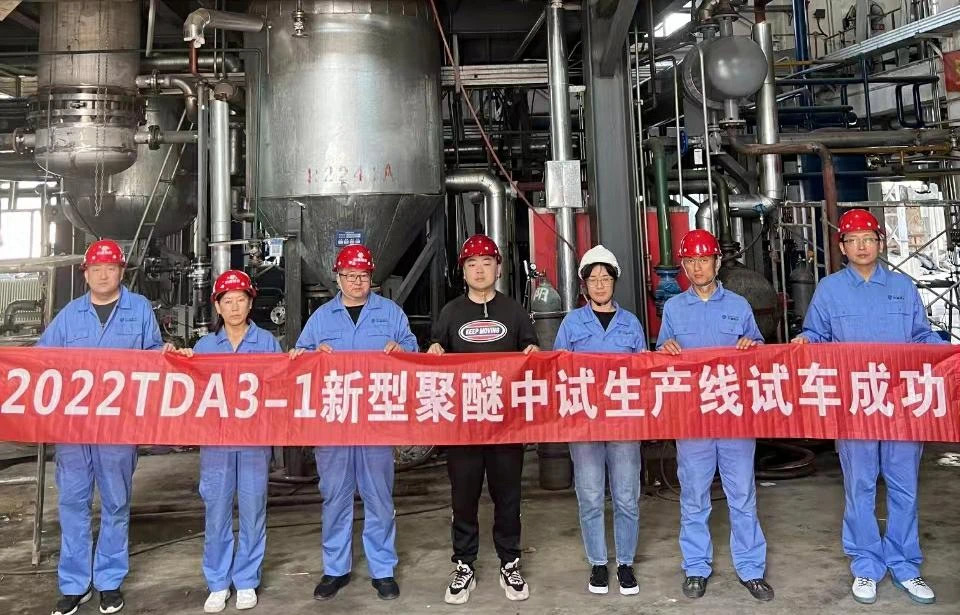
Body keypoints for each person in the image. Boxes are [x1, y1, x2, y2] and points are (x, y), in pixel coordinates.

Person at [792, 209, 942, 605]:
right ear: (842, 247)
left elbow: (921, 337)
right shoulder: (829, 290)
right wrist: (806, 341)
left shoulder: (902, 287)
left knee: (904, 485)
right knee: (859, 486)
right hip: (855, 404)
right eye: (852, 240)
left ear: (880, 243)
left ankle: (906, 564)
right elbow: (816, 334)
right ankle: (866, 564)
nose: (861, 246)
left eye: (868, 239)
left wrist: (948, 352)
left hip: (901, 405)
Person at [41, 240, 170, 615]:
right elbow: (41, 361)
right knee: (73, 504)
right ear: (85, 274)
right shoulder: (70, 315)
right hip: (74, 428)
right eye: (96, 269)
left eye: (110, 268)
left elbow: (152, 359)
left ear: (121, 272)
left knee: (116, 502)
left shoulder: (139, 309)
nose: (102, 275)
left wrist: (165, 354)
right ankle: (74, 584)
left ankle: (109, 581)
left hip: (118, 426)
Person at [289, 244, 417, 602]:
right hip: (334, 422)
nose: (357, 282)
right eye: (349, 276)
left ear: (371, 277)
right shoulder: (321, 318)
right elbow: (300, 358)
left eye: (362, 276)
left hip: (376, 420)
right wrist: (309, 355)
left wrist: (402, 350)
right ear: (338, 278)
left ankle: (383, 569)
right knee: (335, 496)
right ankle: (335, 569)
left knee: (379, 496)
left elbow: (414, 353)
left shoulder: (390, 313)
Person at [656, 229, 774, 602]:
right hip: (692, 420)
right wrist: (665, 348)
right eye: (690, 261)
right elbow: (660, 360)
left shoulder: (739, 306)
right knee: (694, 495)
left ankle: (751, 570)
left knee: (742, 494)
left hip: (734, 417)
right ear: (683, 266)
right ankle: (695, 567)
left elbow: (759, 354)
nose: (697, 267)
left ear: (717, 263)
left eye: (704, 260)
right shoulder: (674, 309)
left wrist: (751, 345)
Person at [427, 234, 539, 605]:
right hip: (463, 427)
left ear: (498, 269)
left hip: (506, 426)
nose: (479, 270)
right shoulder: (450, 313)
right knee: (463, 498)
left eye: (487, 263)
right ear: (463, 272)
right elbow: (435, 357)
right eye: (472, 264)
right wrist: (434, 350)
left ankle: (510, 562)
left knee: (508, 497)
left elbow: (531, 354)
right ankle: (464, 564)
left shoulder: (514, 312)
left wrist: (533, 351)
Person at [171, 270, 281, 612]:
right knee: (216, 513)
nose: (234, 307)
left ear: (250, 303)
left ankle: (246, 580)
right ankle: (218, 583)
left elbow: (281, 387)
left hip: (254, 442)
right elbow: (189, 391)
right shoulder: (204, 347)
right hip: (216, 443)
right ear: (217, 307)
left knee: (252, 511)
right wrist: (179, 361)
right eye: (227, 301)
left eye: (241, 300)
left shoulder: (267, 343)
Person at [553, 245, 646, 596]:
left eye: (606, 278)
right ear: (584, 286)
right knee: (591, 496)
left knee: (626, 496)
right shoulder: (571, 324)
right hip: (585, 424)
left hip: (624, 424)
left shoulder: (631, 324)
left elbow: (645, 375)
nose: (600, 284)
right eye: (593, 279)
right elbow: (557, 370)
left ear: (614, 282)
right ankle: (597, 562)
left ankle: (625, 563)